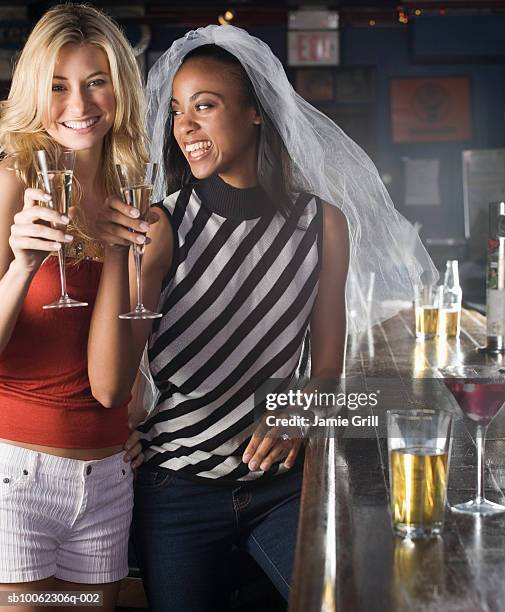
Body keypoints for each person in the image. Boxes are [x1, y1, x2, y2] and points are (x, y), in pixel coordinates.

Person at [88, 25, 437, 612]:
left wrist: (299, 416)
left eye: (205, 105)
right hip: (176, 489)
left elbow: (328, 366)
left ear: (255, 112)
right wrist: (112, 428)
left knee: (347, 601)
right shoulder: (161, 227)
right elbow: (122, 368)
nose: (185, 127)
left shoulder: (325, 224)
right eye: (177, 110)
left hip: (281, 490)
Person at [0, 4, 146, 609]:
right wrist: (22, 267)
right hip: (17, 477)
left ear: (120, 89)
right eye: (58, 86)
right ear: (36, 90)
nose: (79, 106)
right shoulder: (11, 184)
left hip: (107, 477)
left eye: (96, 82)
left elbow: (116, 379)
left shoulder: (133, 197)